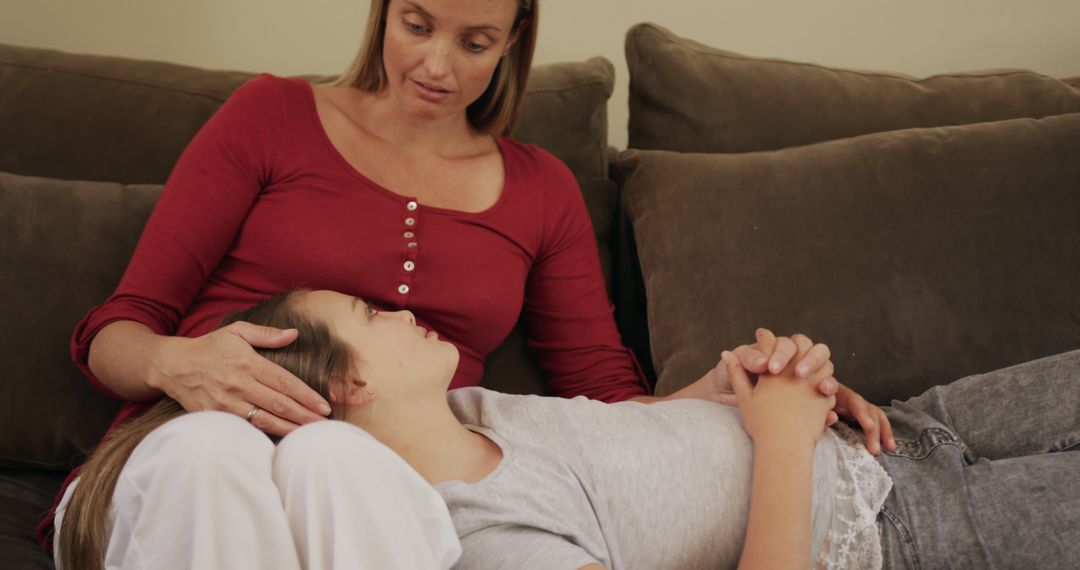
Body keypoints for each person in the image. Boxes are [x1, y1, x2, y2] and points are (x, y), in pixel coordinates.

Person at [41, 0, 883, 561]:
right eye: (417, 23)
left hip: (378, 482)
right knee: (217, 445)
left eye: (475, 42)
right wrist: (176, 364)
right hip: (195, 448)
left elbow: (600, 400)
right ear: (383, 9)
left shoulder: (540, 188)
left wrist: (745, 397)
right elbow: (116, 328)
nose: (436, 65)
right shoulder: (270, 117)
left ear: (513, 39)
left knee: (336, 453)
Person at [59, 290, 1080, 569]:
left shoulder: (471, 410)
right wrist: (775, 440)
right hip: (906, 532)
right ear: (351, 385)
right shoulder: (479, 540)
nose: (406, 309)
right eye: (372, 315)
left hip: (898, 429)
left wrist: (736, 387)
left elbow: (618, 439)